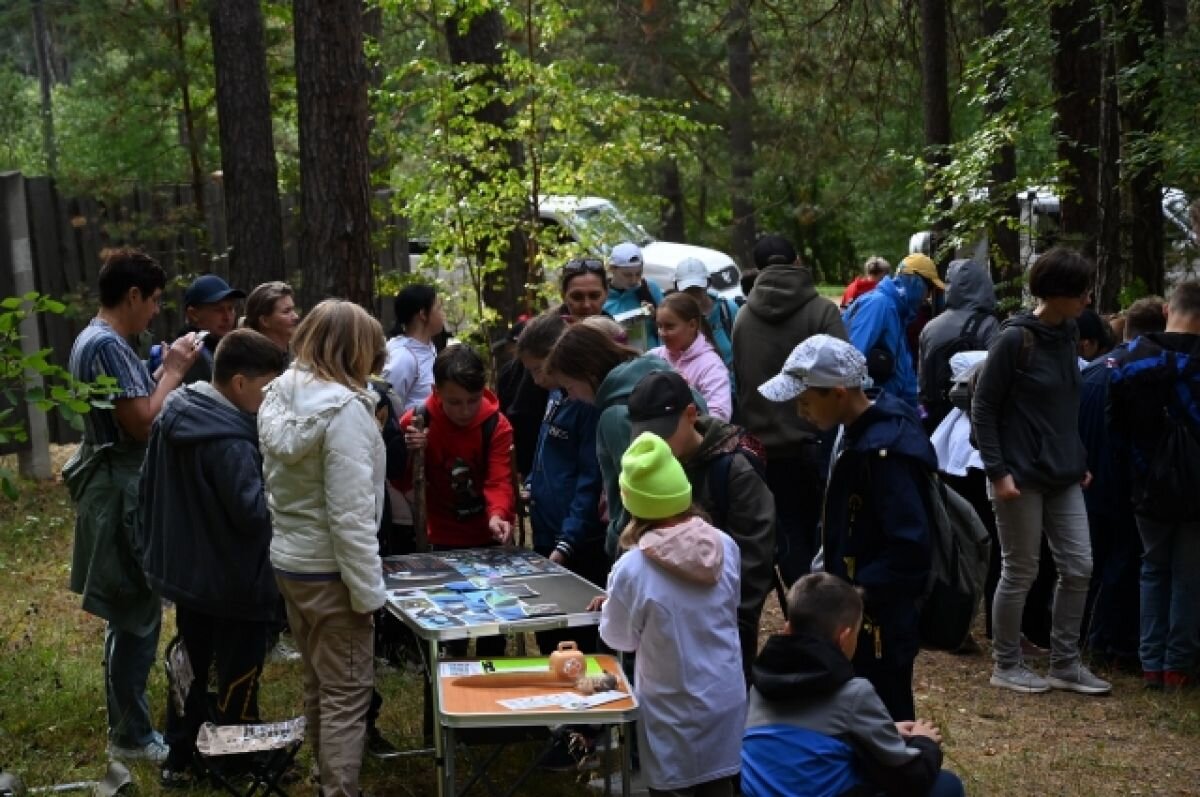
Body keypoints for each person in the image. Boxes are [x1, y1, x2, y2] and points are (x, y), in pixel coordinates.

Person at [64, 247, 199, 764]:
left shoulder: (103, 341)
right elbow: (141, 421)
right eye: (154, 300)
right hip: (122, 485)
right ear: (133, 294)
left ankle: (129, 726)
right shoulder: (105, 344)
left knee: (128, 612)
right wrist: (173, 371)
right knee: (138, 615)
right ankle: (133, 738)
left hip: (121, 481)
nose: (154, 311)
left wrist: (152, 368)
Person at [137, 329, 288, 787]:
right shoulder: (230, 440)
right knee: (240, 667)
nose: (272, 399)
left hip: (190, 574)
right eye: (268, 388)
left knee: (191, 661)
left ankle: (181, 753)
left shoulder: (175, 412)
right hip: (234, 579)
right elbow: (253, 514)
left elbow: (148, 487)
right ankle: (235, 755)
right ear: (239, 383)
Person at [759, 334, 933, 720]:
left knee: (884, 709)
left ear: (838, 392)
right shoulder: (842, 431)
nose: (800, 412)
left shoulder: (886, 451)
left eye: (805, 401)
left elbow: (911, 547)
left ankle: (904, 772)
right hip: (848, 607)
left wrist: (858, 592)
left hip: (878, 619)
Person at [258, 300, 389, 797]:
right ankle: (338, 788)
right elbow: (350, 516)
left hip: (292, 562)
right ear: (356, 349)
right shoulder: (346, 412)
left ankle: (323, 776)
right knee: (346, 691)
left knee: (319, 682)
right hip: (332, 572)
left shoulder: (279, 394)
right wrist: (368, 593)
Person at [971, 247, 1111, 696]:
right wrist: (998, 472)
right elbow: (984, 407)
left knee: (1079, 566)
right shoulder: (1014, 339)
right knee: (1021, 569)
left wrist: (1078, 458)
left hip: (1063, 473)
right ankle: (1007, 663)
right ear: (1055, 293)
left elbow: (1064, 404)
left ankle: (1065, 663)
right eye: (1081, 292)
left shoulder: (1068, 333)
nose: (1088, 300)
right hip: (1019, 476)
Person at [597, 432, 745, 797]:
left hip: (671, 704)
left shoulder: (632, 568)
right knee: (720, 786)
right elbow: (729, 605)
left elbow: (617, 638)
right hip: (724, 697)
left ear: (630, 502)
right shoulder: (724, 545)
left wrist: (616, 600)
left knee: (672, 789)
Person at [741, 572, 964, 797]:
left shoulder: (758, 686)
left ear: (787, 629)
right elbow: (910, 777)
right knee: (946, 786)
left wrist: (884, 731)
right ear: (845, 637)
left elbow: (802, 736)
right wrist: (925, 743)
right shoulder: (853, 694)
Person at [627, 370, 775, 680]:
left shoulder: (735, 467)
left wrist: (728, 618)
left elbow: (754, 557)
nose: (658, 444)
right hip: (665, 627)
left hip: (722, 628)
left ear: (691, 415)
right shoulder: (651, 463)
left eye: (664, 432)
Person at [731, 234, 846, 586]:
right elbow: (846, 371)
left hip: (768, 450)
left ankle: (804, 611)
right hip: (821, 444)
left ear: (758, 268)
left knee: (792, 539)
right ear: (797, 262)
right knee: (834, 534)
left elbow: (742, 382)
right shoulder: (823, 311)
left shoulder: (743, 318)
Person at [543, 324, 706, 559]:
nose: (572, 397)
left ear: (588, 374)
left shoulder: (616, 416)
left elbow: (633, 494)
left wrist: (617, 540)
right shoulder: (662, 379)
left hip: (646, 544)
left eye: (570, 387)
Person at [1107, 281, 1200, 691]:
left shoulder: (1129, 359)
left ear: (1167, 310)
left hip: (1145, 480)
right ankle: (1178, 666)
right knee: (1188, 574)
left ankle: (1150, 664)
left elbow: (1116, 426)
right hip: (1197, 483)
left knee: (1153, 568)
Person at [397, 345, 516, 657]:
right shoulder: (417, 422)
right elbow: (401, 478)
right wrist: (412, 453)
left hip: (487, 534)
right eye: (454, 402)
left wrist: (498, 514)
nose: (465, 410)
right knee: (451, 622)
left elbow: (499, 478)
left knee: (493, 623)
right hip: (441, 537)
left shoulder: (496, 424)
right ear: (436, 392)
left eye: (472, 401)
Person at [1079, 296, 1165, 671]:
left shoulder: (1089, 374)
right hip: (1124, 483)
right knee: (1124, 565)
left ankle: (1087, 637)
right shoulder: (1146, 375)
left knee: (1090, 566)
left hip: (1085, 482)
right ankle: (1113, 645)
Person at [516, 313, 607, 644]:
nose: (535, 379)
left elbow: (589, 478)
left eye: (539, 369)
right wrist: (531, 487)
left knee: (580, 637)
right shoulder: (556, 396)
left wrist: (567, 541)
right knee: (549, 633)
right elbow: (549, 458)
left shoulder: (585, 403)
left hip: (577, 544)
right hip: (546, 534)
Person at [843, 253, 944, 410]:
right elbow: (851, 363)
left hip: (890, 411)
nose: (928, 296)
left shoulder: (897, 312)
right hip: (874, 415)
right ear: (915, 281)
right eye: (929, 288)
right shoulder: (879, 305)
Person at [917, 258, 999, 431]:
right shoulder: (988, 324)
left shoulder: (930, 327)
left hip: (937, 415)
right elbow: (997, 373)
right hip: (973, 416)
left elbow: (923, 381)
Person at [648, 292, 732, 421]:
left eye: (670, 326)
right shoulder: (652, 357)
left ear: (692, 325)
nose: (662, 333)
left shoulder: (711, 365)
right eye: (659, 326)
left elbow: (719, 417)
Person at [149, 274, 246, 384]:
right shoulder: (190, 356)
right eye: (218, 310)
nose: (227, 317)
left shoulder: (222, 349)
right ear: (193, 314)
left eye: (230, 308)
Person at [674, 257, 739, 372]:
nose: (693, 293)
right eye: (688, 289)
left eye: (698, 288)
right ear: (676, 287)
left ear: (709, 283)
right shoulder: (674, 317)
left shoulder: (728, 309)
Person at [604, 241, 664, 347]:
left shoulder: (649, 288)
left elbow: (671, 324)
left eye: (638, 274)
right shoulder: (601, 296)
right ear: (612, 269)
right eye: (627, 275)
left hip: (652, 356)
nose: (634, 280)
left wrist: (656, 316)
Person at [243, 281, 300, 352]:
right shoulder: (248, 360)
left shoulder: (302, 356)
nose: (296, 317)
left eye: (293, 309)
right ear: (265, 321)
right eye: (286, 312)